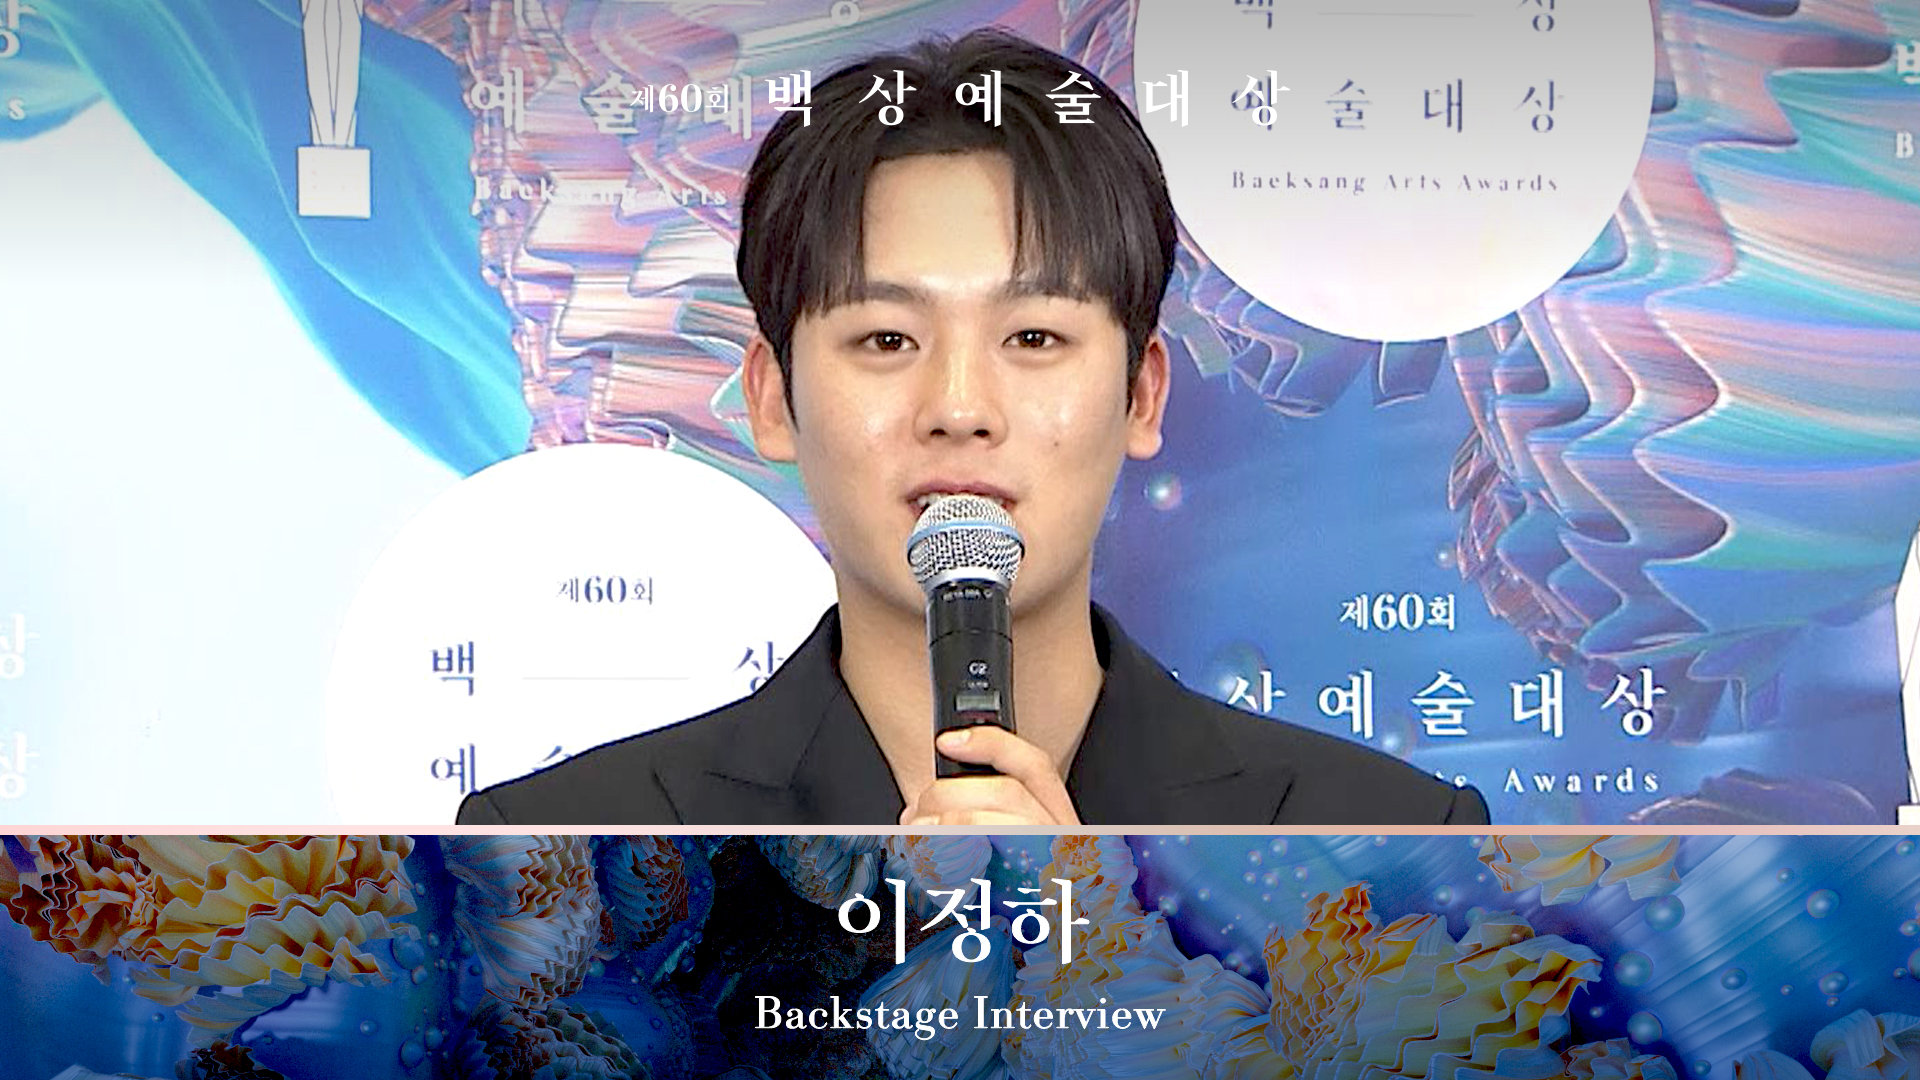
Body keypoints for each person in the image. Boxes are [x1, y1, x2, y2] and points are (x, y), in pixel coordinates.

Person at [458, 28, 1490, 826]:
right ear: (772, 398)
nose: (959, 408)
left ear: (1142, 395)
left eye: (1034, 337)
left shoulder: (1389, 842)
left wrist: (1091, 951)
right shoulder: (565, 850)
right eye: (886, 340)